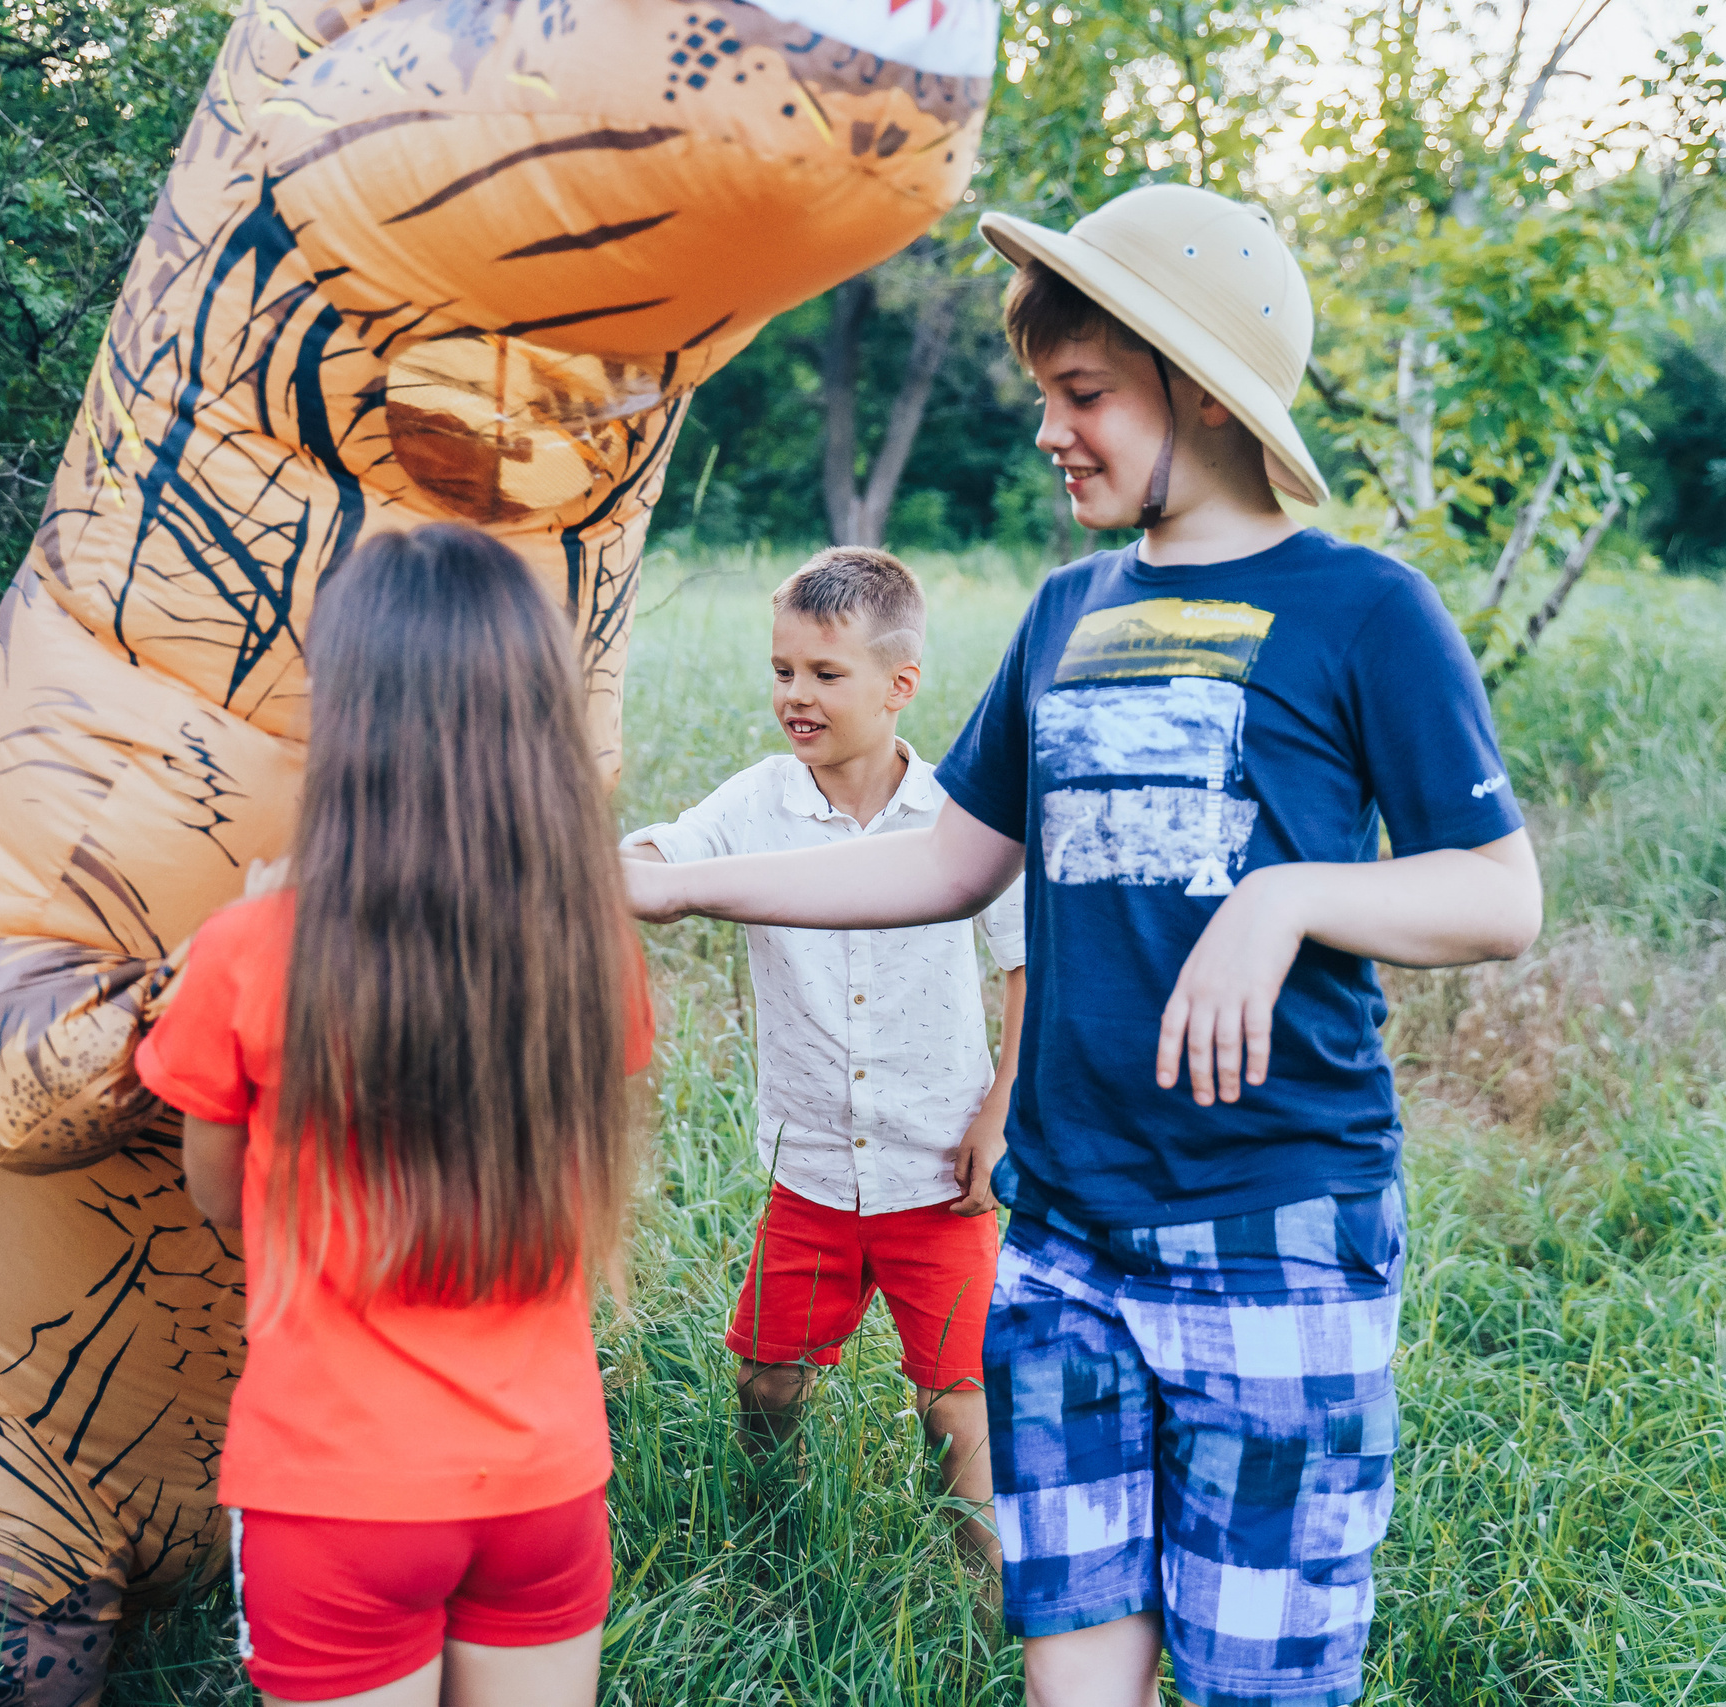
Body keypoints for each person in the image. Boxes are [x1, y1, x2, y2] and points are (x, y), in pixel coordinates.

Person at [622, 183, 1543, 1707]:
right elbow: (945, 858)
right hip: (1059, 1244)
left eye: (1084, 394)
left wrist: (1289, 895)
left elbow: (1501, 893)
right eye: (1047, 392)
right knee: (1072, 1675)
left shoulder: (1364, 607)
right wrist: (685, 889)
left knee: (1260, 1677)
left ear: (1202, 390)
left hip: (1276, 1229)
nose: (1052, 428)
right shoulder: (1066, 611)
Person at [138, 524, 653, 1707]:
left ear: (352, 713)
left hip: (336, 1497)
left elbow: (219, 1201)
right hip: (544, 1487)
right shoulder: (591, 956)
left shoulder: (250, 953)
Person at [623, 546, 1026, 1565]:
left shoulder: (957, 816)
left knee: (956, 1403)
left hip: (939, 1170)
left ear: (900, 686)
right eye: (782, 671)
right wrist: (621, 859)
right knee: (768, 1379)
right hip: (808, 1167)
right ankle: (770, 1538)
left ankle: (987, 1603)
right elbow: (670, 854)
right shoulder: (758, 802)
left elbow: (1030, 966)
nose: (794, 695)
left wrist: (1000, 1113)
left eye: (823, 674)